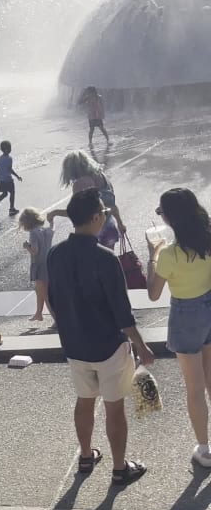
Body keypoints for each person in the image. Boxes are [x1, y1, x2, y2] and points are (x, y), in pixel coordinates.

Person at [47, 188, 153, 485]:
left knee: (84, 400)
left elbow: (53, 298)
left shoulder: (55, 254)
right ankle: (120, 468)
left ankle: (85, 455)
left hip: (74, 345)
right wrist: (141, 346)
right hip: (108, 345)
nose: (105, 217)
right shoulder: (105, 258)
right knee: (114, 406)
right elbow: (122, 311)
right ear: (95, 217)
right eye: (104, 214)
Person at [146, 188, 211, 467]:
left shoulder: (170, 254)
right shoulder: (208, 239)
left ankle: (205, 450)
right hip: (209, 306)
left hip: (185, 316)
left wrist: (152, 255)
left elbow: (152, 293)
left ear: (172, 219)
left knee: (194, 387)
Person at [47, 150, 126, 250]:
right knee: (107, 260)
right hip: (109, 228)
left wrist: (54, 213)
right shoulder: (102, 176)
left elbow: (77, 212)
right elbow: (112, 206)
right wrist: (120, 223)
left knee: (91, 264)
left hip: (93, 232)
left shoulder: (81, 183)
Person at [18, 207, 53, 322]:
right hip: (48, 262)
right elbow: (52, 229)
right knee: (41, 291)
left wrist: (26, 246)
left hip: (39, 265)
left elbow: (35, 251)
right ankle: (38, 313)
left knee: (44, 293)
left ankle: (56, 319)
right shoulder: (45, 230)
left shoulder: (33, 233)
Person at [0, 140, 22, 217]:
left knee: (5, 193)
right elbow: (10, 169)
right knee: (12, 192)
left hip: (0, 180)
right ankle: (11, 209)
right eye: (10, 148)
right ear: (7, 149)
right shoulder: (9, 158)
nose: (10, 149)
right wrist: (17, 176)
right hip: (7, 179)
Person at [81, 85, 110, 151]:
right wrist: (84, 97)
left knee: (102, 128)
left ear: (93, 92)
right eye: (88, 92)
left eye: (89, 92)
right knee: (91, 129)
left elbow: (102, 107)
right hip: (91, 116)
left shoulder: (99, 97)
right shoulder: (87, 98)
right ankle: (90, 142)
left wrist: (102, 115)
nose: (88, 93)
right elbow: (80, 102)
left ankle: (108, 140)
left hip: (98, 115)